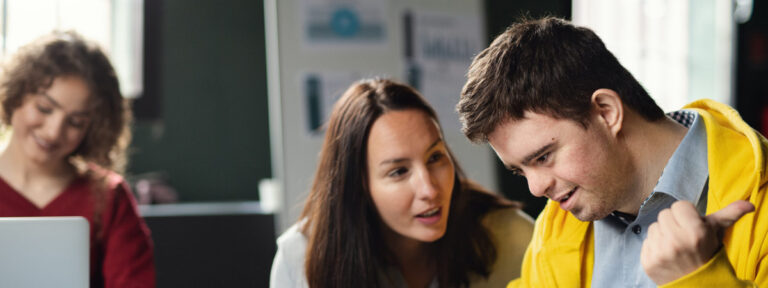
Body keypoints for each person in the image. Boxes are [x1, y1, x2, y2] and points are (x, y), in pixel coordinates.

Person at [457, 16, 767, 287]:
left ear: (607, 112)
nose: (536, 189)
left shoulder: (761, 203)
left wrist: (700, 280)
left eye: (543, 157)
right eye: (519, 170)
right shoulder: (556, 228)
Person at [270, 78, 534, 287]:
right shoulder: (300, 258)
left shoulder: (510, 235)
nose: (429, 189)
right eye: (398, 172)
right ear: (358, 186)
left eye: (435, 157)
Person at [0, 31, 155, 287]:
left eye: (75, 122)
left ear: (91, 129)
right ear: (16, 94)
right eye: (44, 108)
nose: (53, 132)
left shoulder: (107, 196)